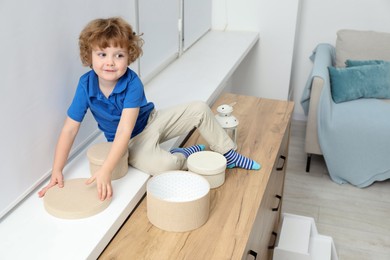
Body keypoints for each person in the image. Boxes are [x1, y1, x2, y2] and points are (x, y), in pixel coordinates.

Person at [38, 17, 260, 201]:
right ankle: (183, 154)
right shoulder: (85, 85)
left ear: (129, 56)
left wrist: (105, 169)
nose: (110, 62)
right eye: (102, 54)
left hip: (152, 120)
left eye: (119, 55)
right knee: (165, 166)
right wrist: (57, 169)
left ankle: (228, 154)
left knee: (200, 108)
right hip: (131, 141)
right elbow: (70, 129)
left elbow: (126, 125)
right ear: (90, 56)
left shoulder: (132, 82)